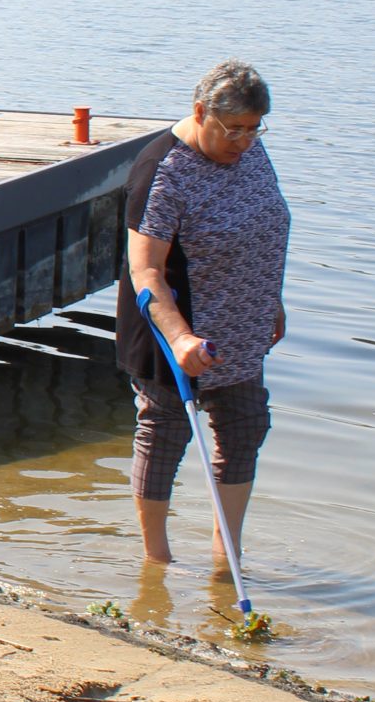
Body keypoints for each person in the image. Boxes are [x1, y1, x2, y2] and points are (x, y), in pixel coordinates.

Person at [114, 59, 292, 568]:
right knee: (165, 436)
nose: (245, 141)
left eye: (255, 129)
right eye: (233, 129)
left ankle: (226, 553)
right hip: (177, 330)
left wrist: (270, 297)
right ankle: (158, 562)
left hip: (242, 326)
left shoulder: (251, 152)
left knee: (245, 429)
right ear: (200, 112)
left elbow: (265, 225)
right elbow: (146, 271)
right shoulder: (162, 172)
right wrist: (181, 340)